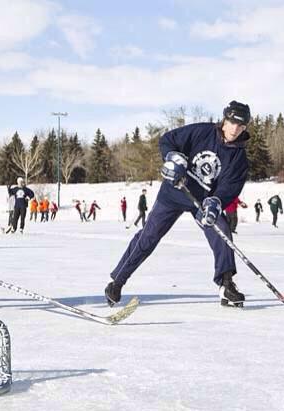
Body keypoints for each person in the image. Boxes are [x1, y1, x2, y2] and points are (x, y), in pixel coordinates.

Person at [105, 100, 251, 309]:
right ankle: (117, 281)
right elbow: (167, 140)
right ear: (224, 120)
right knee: (148, 236)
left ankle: (226, 285)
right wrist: (172, 158)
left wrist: (216, 202)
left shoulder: (239, 159)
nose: (235, 129)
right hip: (174, 193)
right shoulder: (202, 131)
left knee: (222, 231)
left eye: (241, 126)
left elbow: (230, 187)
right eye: (232, 123)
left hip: (202, 203)